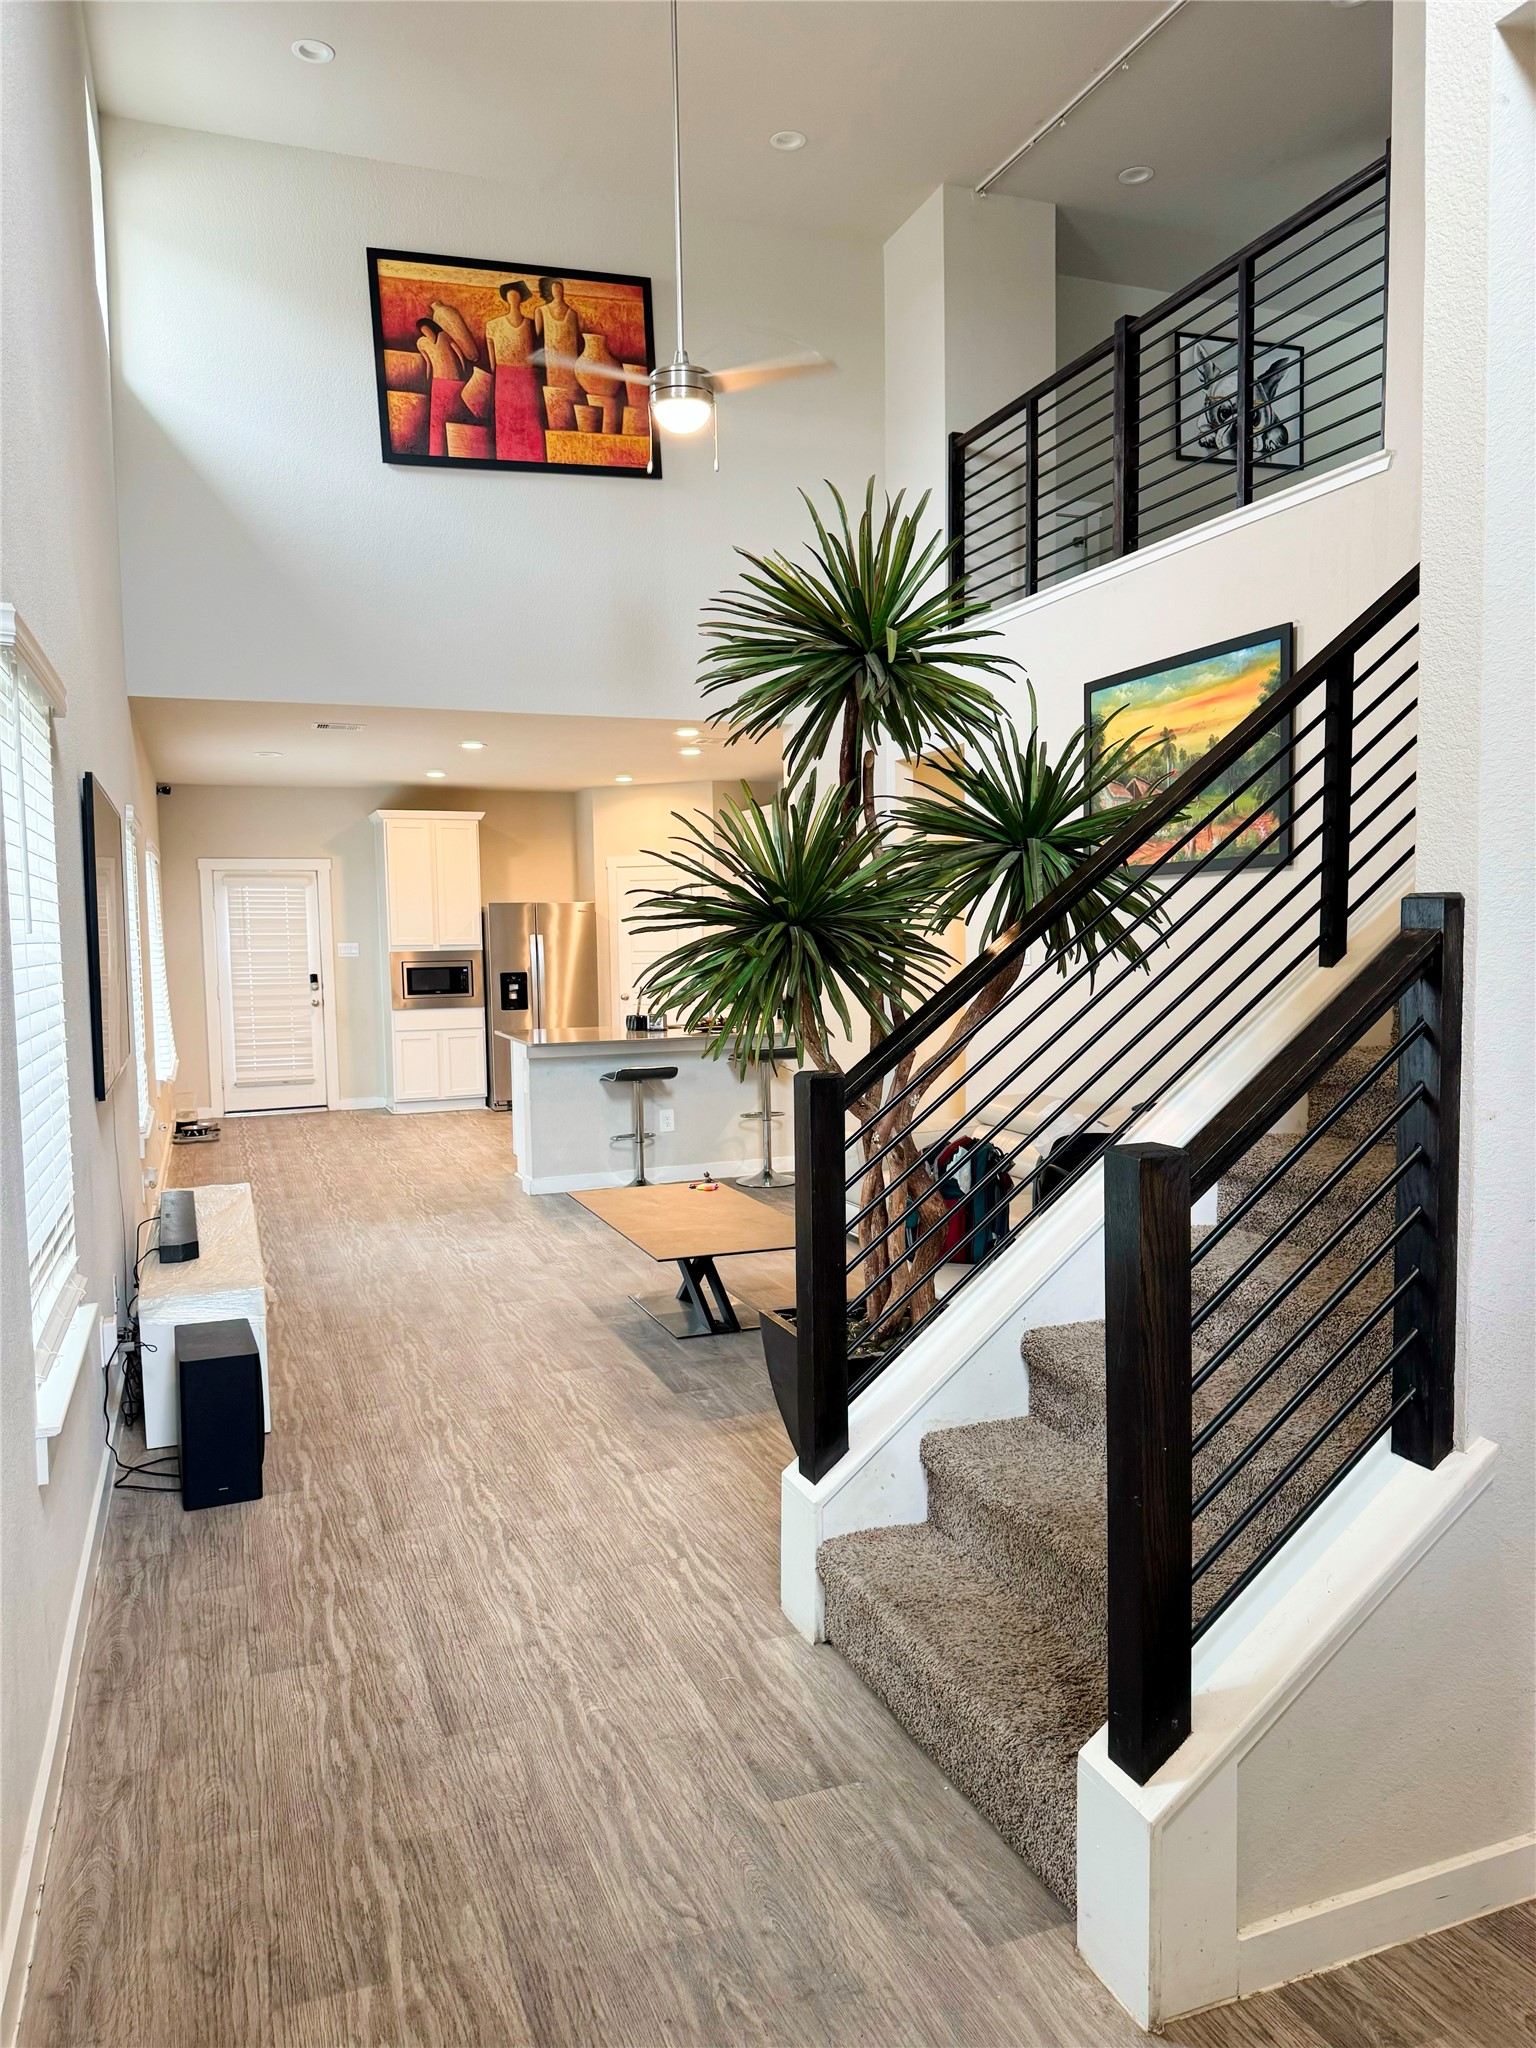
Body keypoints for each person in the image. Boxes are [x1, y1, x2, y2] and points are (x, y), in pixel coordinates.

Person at [484, 279, 546, 463]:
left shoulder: (531, 324)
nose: (513, 298)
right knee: (506, 419)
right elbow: (492, 356)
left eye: (516, 296)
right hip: (505, 377)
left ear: (521, 299)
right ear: (506, 299)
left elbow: (539, 353)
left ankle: (533, 460)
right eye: (510, 296)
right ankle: (507, 457)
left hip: (526, 377)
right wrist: (496, 373)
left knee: (530, 419)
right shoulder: (494, 325)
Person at [415, 317, 470, 457]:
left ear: (432, 327)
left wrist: (463, 370)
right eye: (424, 332)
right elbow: (428, 363)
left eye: (428, 330)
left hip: (454, 379)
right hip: (438, 382)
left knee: (455, 415)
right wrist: (427, 379)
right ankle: (437, 453)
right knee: (437, 420)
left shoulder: (444, 336)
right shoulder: (422, 343)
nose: (427, 333)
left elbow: (459, 353)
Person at [537, 276, 584, 395]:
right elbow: (537, 337)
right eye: (555, 289)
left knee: (569, 390)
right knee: (553, 391)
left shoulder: (572, 314)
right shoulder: (542, 310)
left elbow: (576, 341)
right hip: (551, 357)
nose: (558, 291)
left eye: (560, 289)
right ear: (551, 291)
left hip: (568, 359)